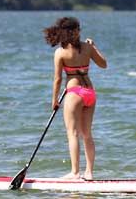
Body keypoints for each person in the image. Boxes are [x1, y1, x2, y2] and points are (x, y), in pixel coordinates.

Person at [43, 17, 107, 180]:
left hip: (74, 92)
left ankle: (75, 173)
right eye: (79, 28)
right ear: (75, 31)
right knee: (87, 134)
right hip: (90, 93)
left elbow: (57, 79)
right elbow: (103, 64)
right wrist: (94, 47)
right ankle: (89, 173)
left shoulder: (60, 52)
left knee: (72, 133)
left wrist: (54, 99)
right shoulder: (87, 48)